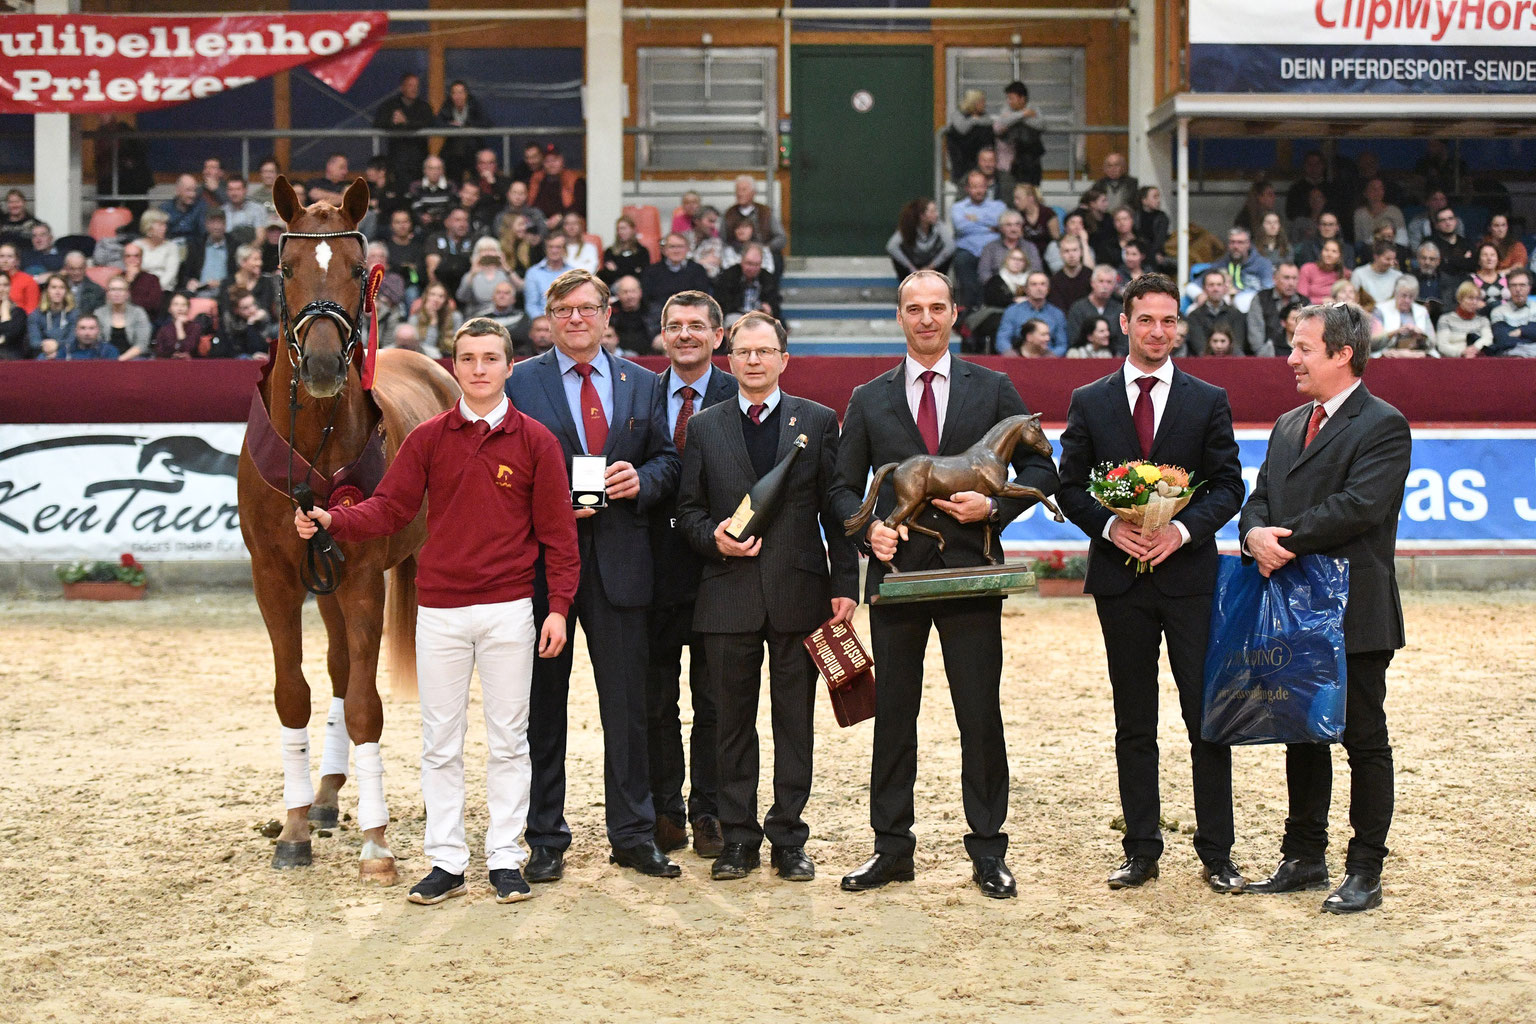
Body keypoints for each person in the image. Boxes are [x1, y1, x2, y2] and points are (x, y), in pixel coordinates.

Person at [297, 317, 580, 907]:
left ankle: (504, 858)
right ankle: (446, 860)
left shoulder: (537, 442)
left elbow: (560, 537)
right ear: (455, 367)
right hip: (442, 611)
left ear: (509, 367)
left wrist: (557, 609)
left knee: (509, 742)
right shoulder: (427, 440)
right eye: (468, 358)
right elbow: (388, 509)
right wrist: (332, 520)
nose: (479, 369)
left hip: (510, 610)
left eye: (490, 359)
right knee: (440, 743)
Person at [830, 269, 1060, 899]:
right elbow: (843, 487)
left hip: (972, 577)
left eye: (936, 308)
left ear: (955, 314)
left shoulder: (994, 388)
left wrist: (996, 511)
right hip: (898, 579)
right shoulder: (868, 397)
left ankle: (988, 850)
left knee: (979, 715)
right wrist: (870, 530)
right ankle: (891, 848)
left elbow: (1043, 465)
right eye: (913, 308)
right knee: (894, 716)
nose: (926, 318)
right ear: (899, 317)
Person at [1056, 272, 1246, 893]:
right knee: (1133, 721)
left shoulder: (1208, 398)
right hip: (1120, 583)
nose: (1158, 331)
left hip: (1190, 579)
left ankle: (1217, 852)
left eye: (1168, 321)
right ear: (1123, 323)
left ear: (1179, 326)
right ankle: (1141, 847)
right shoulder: (1090, 399)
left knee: (1205, 717)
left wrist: (1181, 531)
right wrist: (1112, 529)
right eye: (1146, 320)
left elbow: (1228, 487)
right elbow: (1067, 486)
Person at [505, 267, 682, 883]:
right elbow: (499, 472)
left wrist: (643, 481)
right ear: (548, 318)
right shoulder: (518, 382)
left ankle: (633, 835)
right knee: (542, 709)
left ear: (608, 314)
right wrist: (541, 503)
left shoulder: (643, 382)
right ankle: (545, 837)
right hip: (539, 573)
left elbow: (668, 461)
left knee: (628, 710)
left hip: (624, 566)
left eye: (586, 308)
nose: (575, 319)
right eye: (563, 309)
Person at [1240, 302, 1412, 914]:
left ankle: (1365, 868)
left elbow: (1359, 507)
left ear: (1343, 354)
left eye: (1303, 348)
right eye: (1292, 345)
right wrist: (1252, 534)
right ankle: (1305, 856)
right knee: (1301, 735)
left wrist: (1278, 540)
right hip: (1291, 605)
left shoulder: (1384, 424)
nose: (1291, 359)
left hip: (1355, 610)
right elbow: (1259, 496)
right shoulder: (1289, 424)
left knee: (1364, 739)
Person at [674, 311, 857, 883]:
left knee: (793, 721)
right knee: (729, 723)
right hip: (725, 598)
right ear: (730, 359)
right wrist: (714, 540)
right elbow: (687, 513)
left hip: (800, 596)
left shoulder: (821, 421)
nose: (753, 360)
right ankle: (738, 840)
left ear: (784, 359)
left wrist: (845, 587)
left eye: (764, 351)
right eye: (743, 352)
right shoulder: (704, 427)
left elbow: (839, 511)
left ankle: (788, 839)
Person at [644, 291, 737, 859]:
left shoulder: (739, 393)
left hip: (720, 571)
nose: (685, 335)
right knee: (655, 702)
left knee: (716, 701)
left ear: (717, 336)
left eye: (696, 326)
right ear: (661, 334)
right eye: (674, 325)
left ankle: (709, 812)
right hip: (651, 574)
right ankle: (664, 812)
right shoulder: (638, 392)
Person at [950, 170, 1006, 310]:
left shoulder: (999, 206)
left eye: (981, 186)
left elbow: (1002, 225)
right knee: (962, 261)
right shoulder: (958, 207)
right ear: (967, 189)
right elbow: (961, 227)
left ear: (986, 187)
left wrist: (974, 219)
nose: (979, 190)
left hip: (993, 250)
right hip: (967, 250)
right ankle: (969, 310)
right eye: (974, 187)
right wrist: (989, 226)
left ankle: (990, 307)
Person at [640, 233, 712, 335]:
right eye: (672, 247)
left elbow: (701, 297)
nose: (676, 250)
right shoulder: (652, 272)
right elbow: (648, 299)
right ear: (664, 250)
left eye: (680, 246)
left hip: (691, 316)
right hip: (661, 319)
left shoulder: (698, 270)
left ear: (687, 249)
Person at [375, 72, 435, 187]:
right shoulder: (390, 105)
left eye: (416, 86)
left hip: (419, 157)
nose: (414, 89)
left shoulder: (424, 107)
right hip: (398, 158)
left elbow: (429, 123)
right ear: (402, 87)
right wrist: (393, 122)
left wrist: (406, 122)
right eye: (410, 85)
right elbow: (378, 122)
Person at [996, 270, 1067, 355]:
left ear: (1048, 289)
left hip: (1048, 361)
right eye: (1034, 284)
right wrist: (1012, 355)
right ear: (1026, 289)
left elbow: (1062, 344)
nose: (1039, 288)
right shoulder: (1012, 311)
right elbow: (1002, 339)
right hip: (1018, 359)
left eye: (1043, 284)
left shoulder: (1057, 314)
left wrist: (1051, 356)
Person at [712, 243, 782, 325]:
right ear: (742, 261)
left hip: (760, 316)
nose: (752, 268)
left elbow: (775, 304)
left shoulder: (768, 278)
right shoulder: (728, 276)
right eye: (749, 263)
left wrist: (769, 310)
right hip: (735, 315)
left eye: (756, 265)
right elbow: (723, 305)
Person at [1066, 265, 1127, 356]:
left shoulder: (1119, 310)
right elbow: (1074, 339)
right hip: (1083, 358)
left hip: (1113, 360)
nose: (1105, 286)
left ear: (1114, 285)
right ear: (1092, 283)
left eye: (1109, 282)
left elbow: (1124, 342)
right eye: (1101, 281)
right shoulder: (1078, 308)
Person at [887, 198, 955, 280]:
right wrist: (912, 268)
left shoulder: (938, 225)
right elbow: (891, 247)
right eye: (932, 212)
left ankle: (939, 284)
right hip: (914, 264)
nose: (936, 214)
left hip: (932, 264)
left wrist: (930, 267)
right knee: (897, 258)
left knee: (948, 255)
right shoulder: (908, 227)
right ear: (922, 216)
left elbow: (951, 245)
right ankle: (906, 286)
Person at [1247, 262, 1305, 356]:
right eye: (1286, 278)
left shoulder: (1305, 303)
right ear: (1274, 279)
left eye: (1294, 278)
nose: (1291, 283)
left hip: (1300, 357)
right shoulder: (1260, 299)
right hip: (1267, 358)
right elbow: (1255, 336)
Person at [1185, 269, 1248, 356]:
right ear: (1204, 288)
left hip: (1232, 364)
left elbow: (1237, 345)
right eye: (1211, 285)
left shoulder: (1236, 315)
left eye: (1219, 285)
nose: (1216, 289)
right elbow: (1199, 348)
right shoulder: (1194, 316)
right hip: (1204, 364)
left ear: (1225, 288)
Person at [993, 81, 1045, 185]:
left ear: (1022, 98)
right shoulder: (1007, 109)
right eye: (1008, 98)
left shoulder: (1033, 108)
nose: (1009, 101)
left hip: (1031, 159)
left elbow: (1041, 124)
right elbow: (1003, 121)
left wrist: (1016, 118)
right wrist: (1023, 114)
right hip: (1010, 161)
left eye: (1011, 98)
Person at [437, 80, 489, 184]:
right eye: (454, 93)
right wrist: (451, 126)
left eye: (461, 92)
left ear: (466, 94)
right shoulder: (447, 106)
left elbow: (486, 122)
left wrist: (467, 126)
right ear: (451, 95)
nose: (458, 96)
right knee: (453, 178)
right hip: (453, 152)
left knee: (477, 180)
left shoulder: (474, 104)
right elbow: (437, 122)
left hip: (473, 150)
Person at [722, 176, 787, 255]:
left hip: (763, 256)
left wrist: (764, 249)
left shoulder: (765, 212)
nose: (739, 193)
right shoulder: (729, 214)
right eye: (737, 190)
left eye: (744, 190)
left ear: (753, 192)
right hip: (735, 256)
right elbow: (722, 239)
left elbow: (781, 237)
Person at [1370, 277, 1434, 356]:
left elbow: (1433, 342)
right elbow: (1372, 342)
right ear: (1395, 294)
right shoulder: (1380, 310)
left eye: (1411, 297)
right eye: (1404, 295)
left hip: (1417, 356)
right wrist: (1395, 332)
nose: (1407, 300)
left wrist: (1421, 335)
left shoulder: (1422, 311)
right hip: (1389, 357)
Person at [178, 209, 234, 297]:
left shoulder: (234, 245)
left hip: (226, 293)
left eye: (220, 222)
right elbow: (185, 274)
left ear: (225, 224)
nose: (216, 227)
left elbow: (238, 275)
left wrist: (221, 283)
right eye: (212, 223)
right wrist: (190, 281)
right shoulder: (196, 245)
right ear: (206, 224)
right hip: (199, 291)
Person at [977, 210, 1042, 285]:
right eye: (1008, 225)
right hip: (998, 289)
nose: (1013, 229)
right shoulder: (990, 248)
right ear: (1001, 228)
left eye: (1017, 225)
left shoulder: (1030, 247)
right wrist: (996, 286)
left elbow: (1036, 270)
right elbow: (983, 272)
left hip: (1025, 289)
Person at [94, 276, 151, 360]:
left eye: (121, 289)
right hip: (105, 358)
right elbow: (97, 342)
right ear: (107, 293)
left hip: (134, 359)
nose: (117, 293)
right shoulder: (99, 313)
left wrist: (120, 360)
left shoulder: (138, 313)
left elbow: (142, 344)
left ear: (127, 293)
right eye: (113, 289)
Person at [944, 89, 994, 184]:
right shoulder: (959, 120)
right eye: (981, 101)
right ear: (974, 103)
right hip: (961, 165)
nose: (984, 104)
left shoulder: (985, 120)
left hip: (977, 166)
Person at [219, 244, 277, 324]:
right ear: (243, 262)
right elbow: (225, 309)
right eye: (255, 259)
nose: (260, 263)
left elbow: (265, 307)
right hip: (235, 326)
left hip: (260, 324)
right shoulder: (227, 283)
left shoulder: (265, 282)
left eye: (260, 259)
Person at [457, 238, 515, 318]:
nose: (488, 254)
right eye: (484, 250)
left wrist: (506, 267)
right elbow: (462, 297)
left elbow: (521, 288)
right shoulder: (472, 275)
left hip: (504, 315)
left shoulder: (505, 273)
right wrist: (472, 272)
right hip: (477, 316)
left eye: (492, 250)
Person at [528, 145, 587, 222]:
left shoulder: (575, 180)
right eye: (547, 161)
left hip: (565, 224)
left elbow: (580, 207)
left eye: (555, 160)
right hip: (540, 223)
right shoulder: (537, 179)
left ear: (562, 161)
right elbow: (530, 204)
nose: (551, 164)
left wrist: (561, 216)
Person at [1436, 281, 1493, 358]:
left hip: (1476, 359)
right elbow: (1442, 345)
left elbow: (1488, 339)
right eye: (1470, 298)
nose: (1474, 302)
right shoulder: (1445, 319)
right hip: (1452, 361)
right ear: (1460, 299)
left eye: (1477, 299)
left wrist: (1475, 348)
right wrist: (1462, 352)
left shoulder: (1483, 320)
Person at [217, 289, 280, 358]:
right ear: (236, 310)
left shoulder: (263, 320)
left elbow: (263, 347)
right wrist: (250, 324)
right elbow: (232, 353)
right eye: (246, 308)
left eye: (253, 304)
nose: (252, 310)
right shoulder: (230, 325)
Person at [152, 292, 215, 359]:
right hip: (169, 365)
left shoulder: (195, 327)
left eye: (183, 305)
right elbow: (159, 352)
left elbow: (186, 349)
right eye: (176, 305)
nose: (180, 308)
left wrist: (179, 327)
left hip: (191, 365)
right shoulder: (164, 330)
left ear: (188, 308)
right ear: (169, 309)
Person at [1489, 267, 1536, 357]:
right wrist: (1528, 332)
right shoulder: (1498, 311)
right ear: (1508, 288)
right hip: (1510, 360)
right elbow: (1502, 339)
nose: (1518, 289)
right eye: (1514, 285)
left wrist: (1520, 331)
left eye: (1522, 285)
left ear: (1529, 288)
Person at [27, 273, 77, 358]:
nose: (58, 292)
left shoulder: (74, 314)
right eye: (54, 287)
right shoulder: (36, 315)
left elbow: (73, 340)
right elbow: (34, 341)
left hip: (67, 354)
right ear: (47, 291)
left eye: (62, 288)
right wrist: (47, 346)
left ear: (66, 291)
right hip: (43, 353)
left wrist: (57, 345)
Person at [523, 234, 570, 319]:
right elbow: (531, 305)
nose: (554, 251)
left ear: (565, 249)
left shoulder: (573, 273)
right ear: (545, 249)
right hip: (543, 322)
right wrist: (544, 322)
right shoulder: (533, 273)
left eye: (558, 247)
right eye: (550, 247)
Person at [1352, 178, 1405, 249]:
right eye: (1373, 188)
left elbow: (1402, 239)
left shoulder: (1394, 211)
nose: (1377, 192)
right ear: (1365, 193)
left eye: (1380, 188)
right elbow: (1359, 241)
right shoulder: (1359, 213)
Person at [136, 208, 181, 292]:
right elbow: (134, 270)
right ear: (148, 226)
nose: (165, 228)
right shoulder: (136, 245)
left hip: (164, 290)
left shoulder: (172, 247)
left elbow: (170, 274)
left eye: (165, 225)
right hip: (140, 289)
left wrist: (154, 289)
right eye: (160, 225)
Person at [1350, 239, 1403, 308]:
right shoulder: (1359, 273)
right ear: (1376, 257)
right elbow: (1352, 299)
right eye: (1387, 259)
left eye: (1393, 259)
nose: (1391, 263)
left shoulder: (1398, 276)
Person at [601, 215, 651, 287]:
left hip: (636, 286)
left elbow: (644, 274)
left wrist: (616, 270)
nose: (621, 232)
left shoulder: (642, 251)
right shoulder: (610, 252)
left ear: (633, 229)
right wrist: (633, 270)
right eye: (618, 229)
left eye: (624, 228)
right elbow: (608, 276)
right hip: (616, 286)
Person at [414, 282, 462, 357]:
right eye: (432, 294)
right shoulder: (415, 318)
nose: (436, 299)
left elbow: (458, 347)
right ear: (426, 297)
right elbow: (428, 350)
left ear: (445, 301)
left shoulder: (455, 317)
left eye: (441, 296)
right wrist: (433, 321)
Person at [409, 156, 455, 232]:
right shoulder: (416, 186)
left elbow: (452, 207)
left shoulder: (450, 186)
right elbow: (415, 208)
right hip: (422, 227)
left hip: (445, 227)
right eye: (431, 168)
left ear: (443, 171)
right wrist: (422, 216)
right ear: (424, 170)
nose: (435, 172)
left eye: (438, 168)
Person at [1047, 235, 1092, 313]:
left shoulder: (1091, 276)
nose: (1071, 255)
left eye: (1074, 250)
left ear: (1081, 252)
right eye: (1066, 251)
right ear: (1060, 254)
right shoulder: (1055, 281)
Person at [159, 173, 206, 247]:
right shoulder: (164, 209)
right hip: (169, 249)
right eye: (188, 190)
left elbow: (203, 234)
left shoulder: (200, 208)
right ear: (178, 190)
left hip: (194, 250)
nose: (192, 195)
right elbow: (160, 236)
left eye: (194, 190)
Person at [608, 275, 651, 354]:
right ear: (618, 295)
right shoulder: (611, 313)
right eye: (625, 292)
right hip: (618, 356)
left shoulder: (651, 310)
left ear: (640, 292)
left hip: (648, 355)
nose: (630, 296)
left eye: (633, 291)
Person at [1429, 206, 1476, 277]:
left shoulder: (1467, 243)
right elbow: (1437, 268)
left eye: (1450, 219)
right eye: (1443, 220)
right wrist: (1462, 260)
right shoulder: (1430, 244)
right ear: (1436, 225)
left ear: (1456, 221)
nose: (1447, 223)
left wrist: (1448, 261)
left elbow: (1473, 266)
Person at [1298, 239, 1347, 305]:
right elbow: (1301, 297)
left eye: (1334, 251)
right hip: (1309, 309)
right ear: (1321, 252)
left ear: (1339, 256)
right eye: (1326, 250)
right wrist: (1321, 301)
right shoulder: (1307, 269)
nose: (1329, 254)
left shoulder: (1343, 273)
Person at [1013, 183, 1060, 253]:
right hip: (1027, 253)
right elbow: (1019, 241)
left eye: (1018, 198)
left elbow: (1056, 239)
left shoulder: (1048, 213)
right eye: (1014, 198)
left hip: (1048, 253)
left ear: (1030, 198)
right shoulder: (1017, 216)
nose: (1015, 202)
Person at [1468, 242, 1509, 314]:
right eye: (1485, 255)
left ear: (1498, 259)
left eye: (1492, 255)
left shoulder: (1506, 278)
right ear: (1479, 259)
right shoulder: (1471, 279)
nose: (1489, 258)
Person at [60, 252, 105, 317]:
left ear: (85, 268)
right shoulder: (58, 287)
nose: (76, 272)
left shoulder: (97, 291)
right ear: (66, 268)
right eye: (72, 269)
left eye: (80, 268)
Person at [0, 243, 40, 313]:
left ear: (17, 260)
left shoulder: (28, 281)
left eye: (10, 256)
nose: (5, 260)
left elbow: (32, 310)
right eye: (2, 256)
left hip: (19, 320)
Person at [1136, 186, 1171, 263]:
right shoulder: (1136, 216)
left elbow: (1159, 240)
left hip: (1156, 253)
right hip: (1138, 252)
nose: (1158, 200)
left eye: (1159, 197)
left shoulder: (1162, 217)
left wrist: (1153, 253)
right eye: (1155, 197)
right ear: (1144, 201)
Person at [0, 271, 27, 360]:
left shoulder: (19, 313)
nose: (1, 289)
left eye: (5, 285)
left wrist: (5, 312)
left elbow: (11, 337)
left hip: (11, 359)